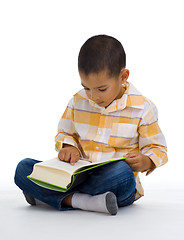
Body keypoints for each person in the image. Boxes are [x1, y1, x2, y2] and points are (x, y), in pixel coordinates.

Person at [14, 35, 168, 215]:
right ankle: (85, 201)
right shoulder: (77, 101)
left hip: (113, 182)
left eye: (101, 89)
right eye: (87, 88)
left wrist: (146, 161)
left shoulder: (142, 108)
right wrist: (68, 146)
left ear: (123, 76)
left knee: (123, 174)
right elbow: (65, 133)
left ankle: (51, 196)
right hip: (76, 177)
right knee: (24, 168)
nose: (93, 97)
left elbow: (158, 148)